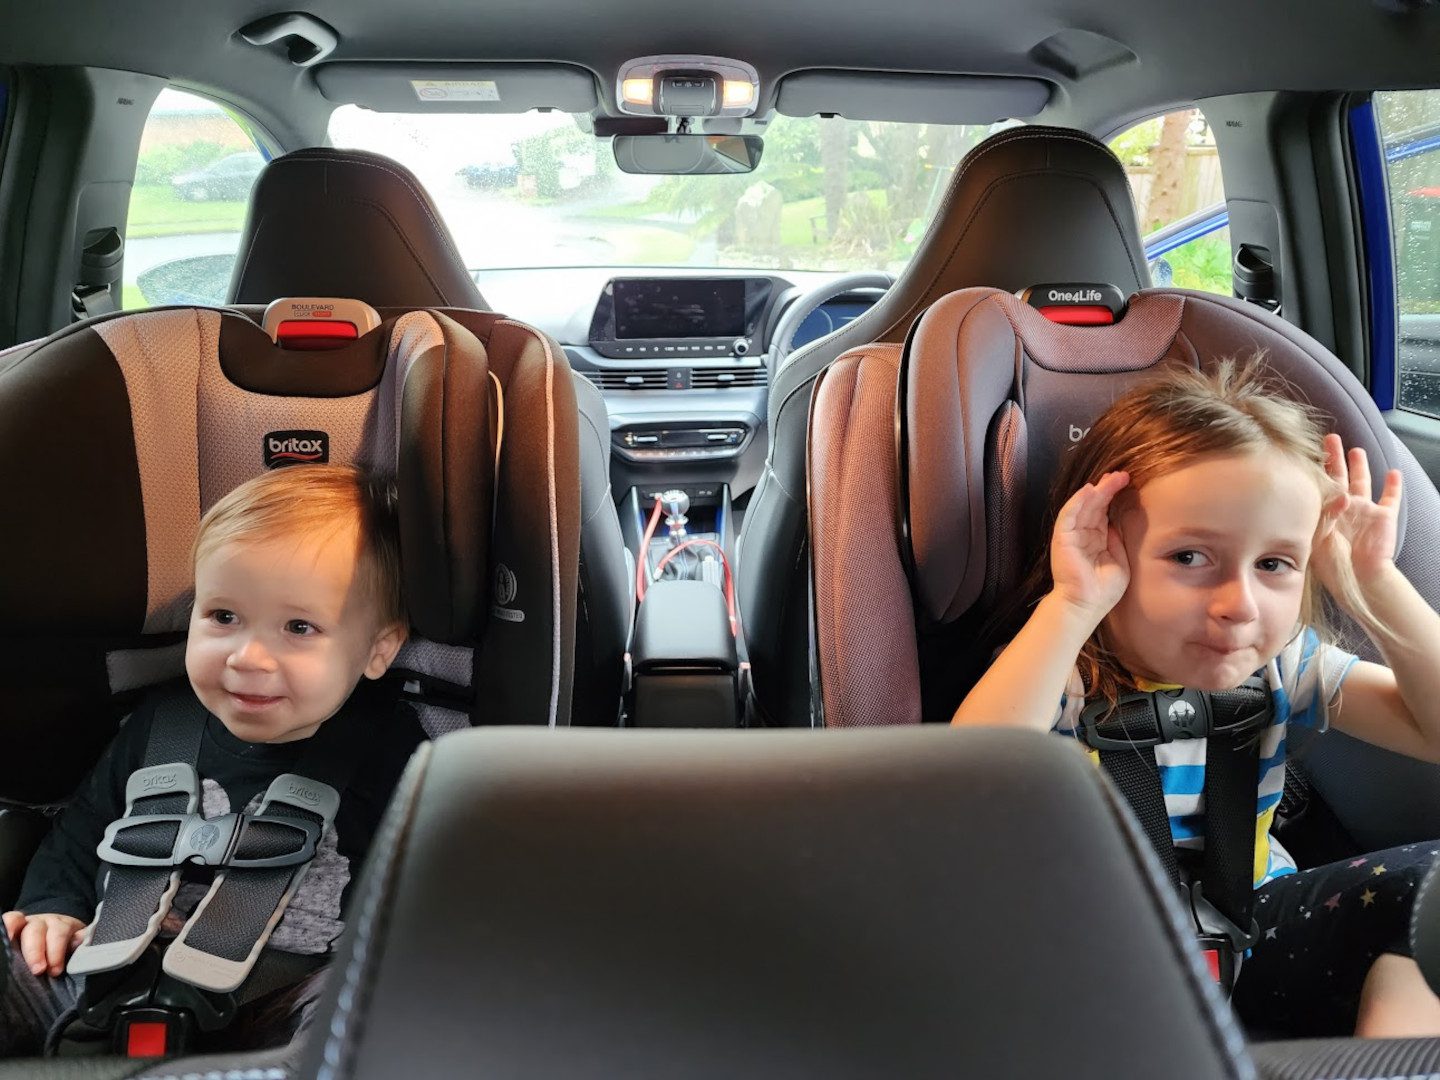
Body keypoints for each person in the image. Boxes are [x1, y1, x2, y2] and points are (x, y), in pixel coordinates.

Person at [952, 359, 1440, 1038]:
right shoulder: (1062, 672)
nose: (1238, 606)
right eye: (1189, 558)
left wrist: (1371, 581)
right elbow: (970, 777)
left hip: (1257, 936)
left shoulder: (1282, 668)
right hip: (1086, 959)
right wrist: (1072, 604)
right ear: (1107, 547)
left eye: (1275, 565)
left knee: (1431, 902)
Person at [1, 464, 425, 1057]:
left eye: (299, 627)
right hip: (101, 963)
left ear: (379, 649)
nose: (248, 656)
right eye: (223, 616)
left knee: (380, 1017)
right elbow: (80, 830)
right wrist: (51, 907)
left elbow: (421, 881)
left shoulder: (390, 748)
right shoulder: (159, 723)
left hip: (284, 995)